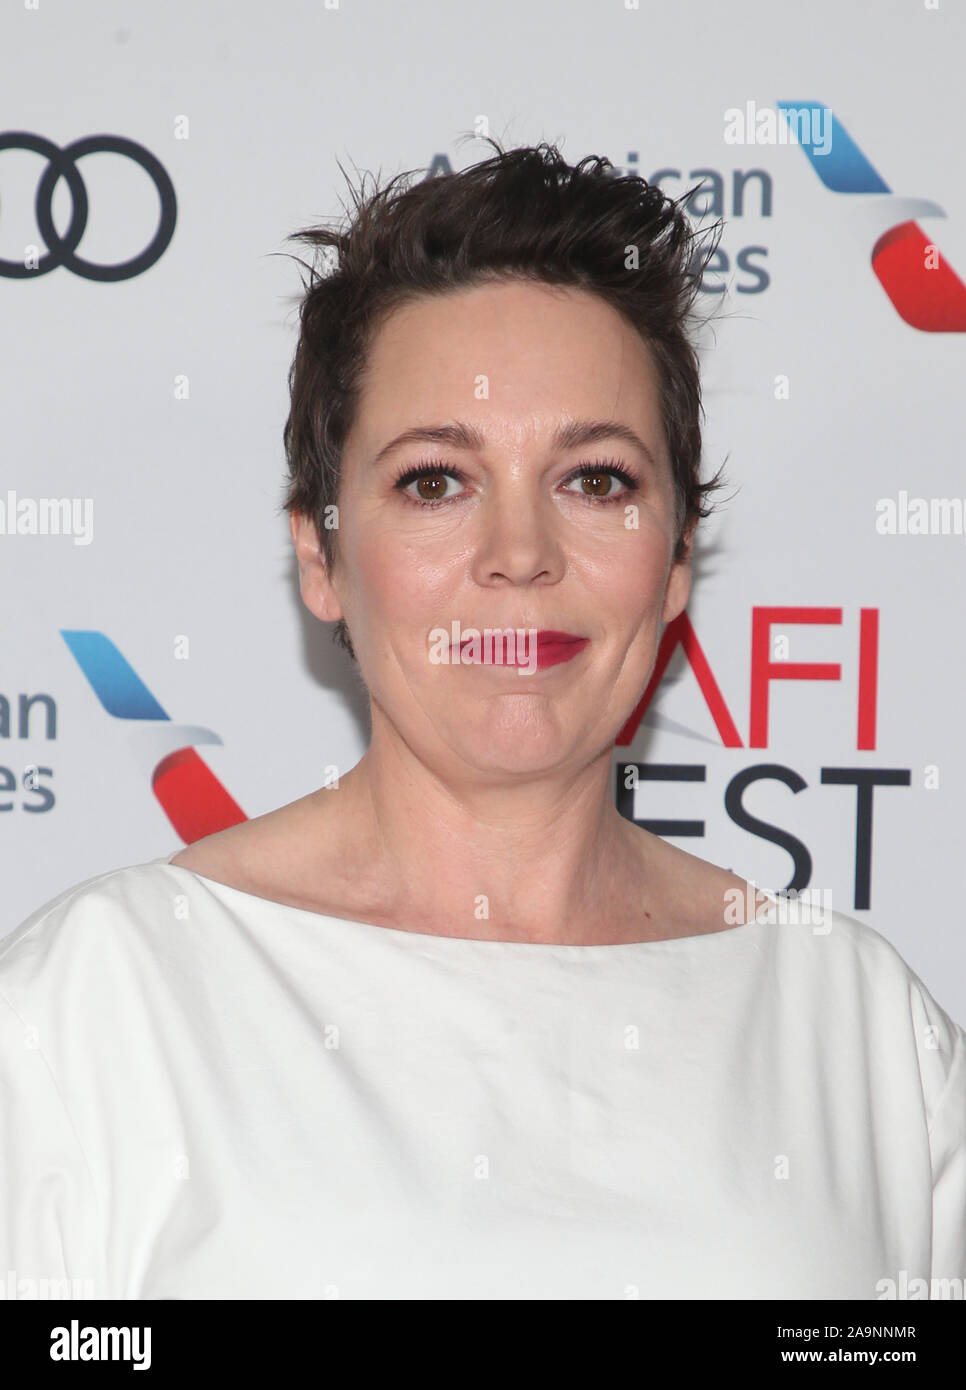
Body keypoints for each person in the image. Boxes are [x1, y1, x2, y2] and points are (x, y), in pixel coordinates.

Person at [1, 140, 963, 1301]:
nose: (520, 554)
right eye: (435, 481)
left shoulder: (858, 1029)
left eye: (596, 479)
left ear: (674, 561)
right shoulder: (99, 1004)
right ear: (320, 556)